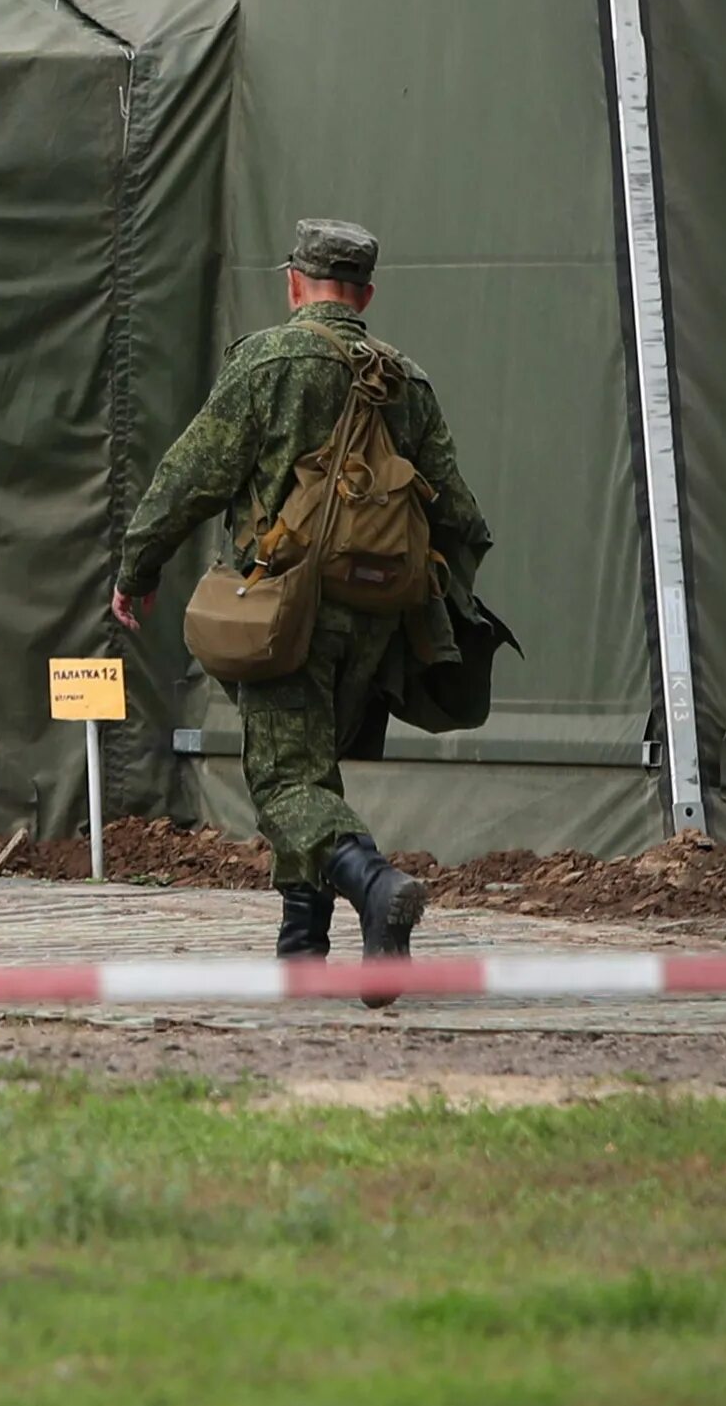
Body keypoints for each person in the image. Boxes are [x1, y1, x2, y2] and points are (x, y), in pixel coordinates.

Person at [111, 219, 491, 986]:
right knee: (312, 772)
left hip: (285, 610)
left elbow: (193, 475)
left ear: (294, 283)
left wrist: (136, 569)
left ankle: (377, 884)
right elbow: (459, 515)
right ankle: (302, 953)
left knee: (287, 782)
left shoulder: (269, 360)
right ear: (367, 293)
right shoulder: (405, 382)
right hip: (378, 619)